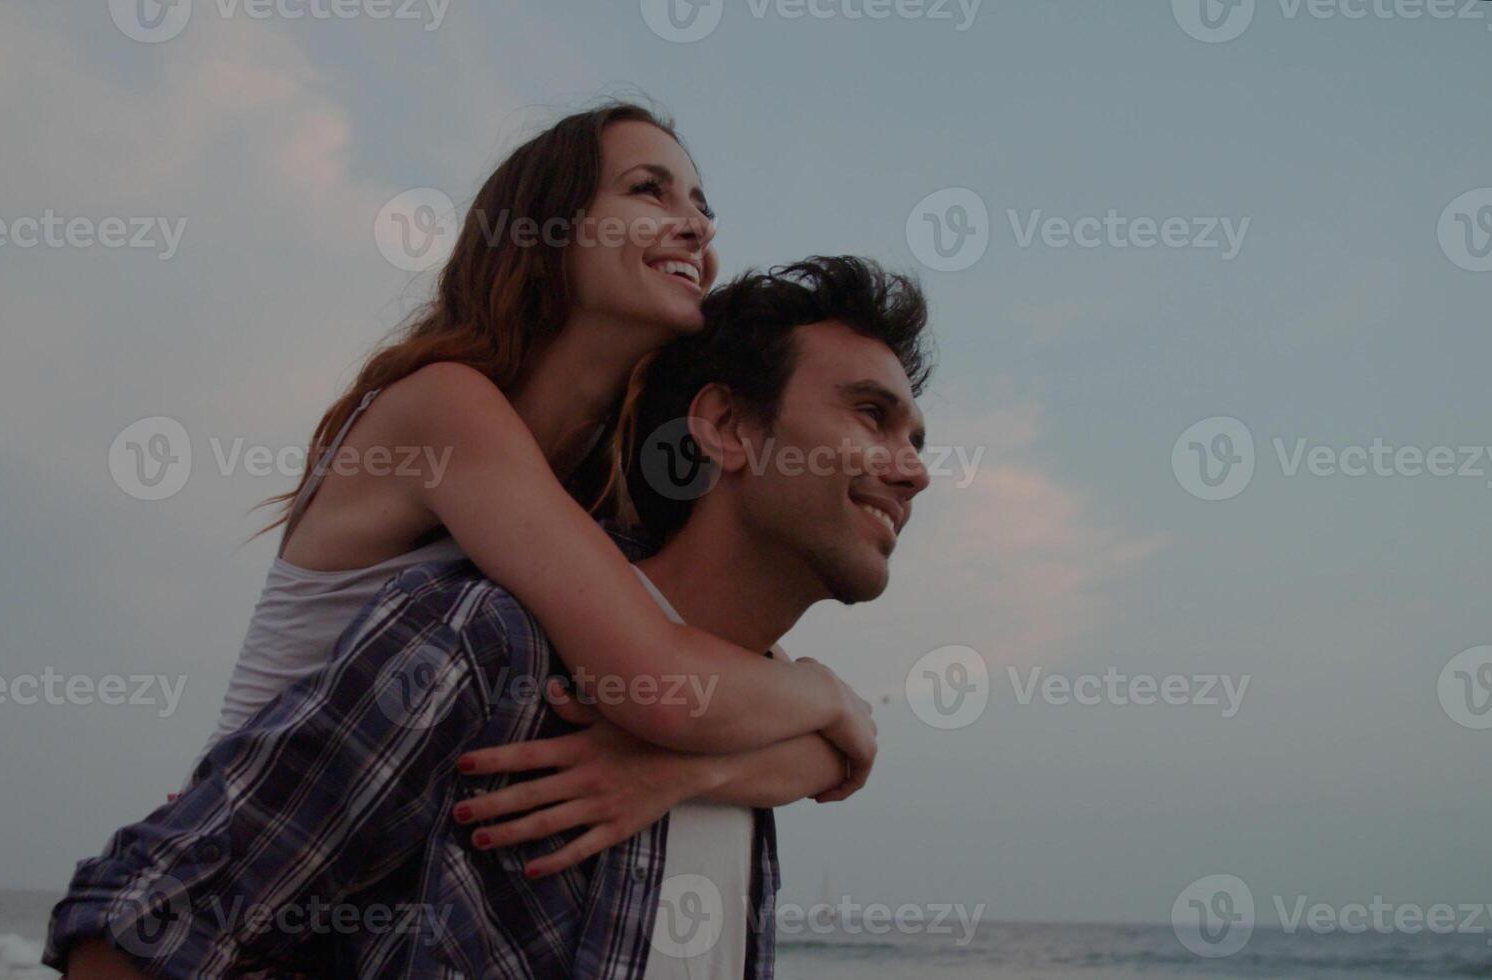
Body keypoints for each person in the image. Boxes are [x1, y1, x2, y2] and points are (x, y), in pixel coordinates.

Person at [45, 256, 933, 979]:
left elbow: (837, 753)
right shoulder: (486, 649)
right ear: (725, 427)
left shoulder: (766, 725)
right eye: (871, 416)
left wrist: (716, 752)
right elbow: (140, 928)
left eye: (917, 441)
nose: (913, 471)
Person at [193, 101, 877, 792]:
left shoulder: (607, 475)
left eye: (702, 208)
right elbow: (669, 689)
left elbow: (824, 755)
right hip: (245, 854)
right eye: (649, 190)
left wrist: (672, 775)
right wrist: (822, 692)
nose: (697, 228)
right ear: (549, 229)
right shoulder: (443, 408)